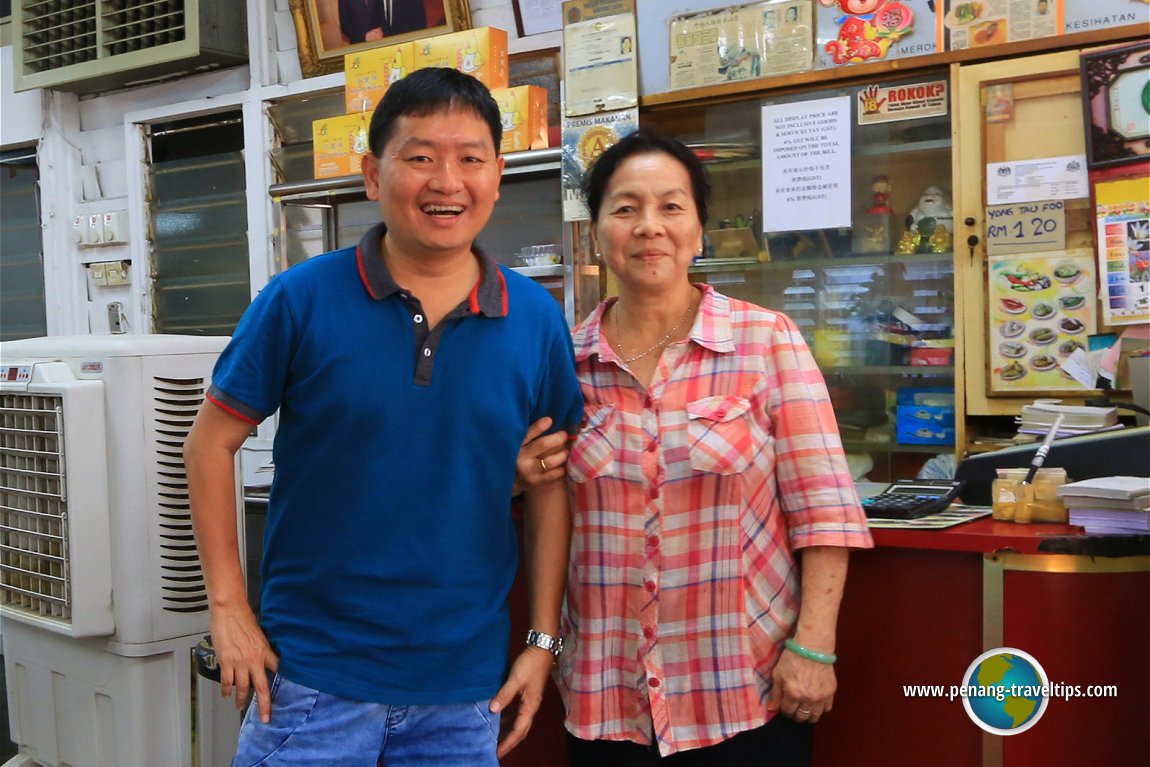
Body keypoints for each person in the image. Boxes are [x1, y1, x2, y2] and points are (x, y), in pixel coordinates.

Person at [185, 67, 583, 767]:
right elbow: (208, 445)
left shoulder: (536, 320)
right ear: (373, 175)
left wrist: (541, 640)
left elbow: (549, 481)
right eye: (420, 157)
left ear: (497, 175)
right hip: (313, 680)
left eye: (470, 158)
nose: (446, 181)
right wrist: (228, 608)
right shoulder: (299, 300)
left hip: (462, 691)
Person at [518, 129, 873, 765]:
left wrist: (815, 646)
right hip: (607, 698)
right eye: (625, 208)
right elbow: (543, 502)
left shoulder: (766, 342)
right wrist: (520, 476)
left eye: (671, 206)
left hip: (744, 690)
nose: (649, 226)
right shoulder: (565, 362)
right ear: (597, 231)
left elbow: (825, 508)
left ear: (699, 230)